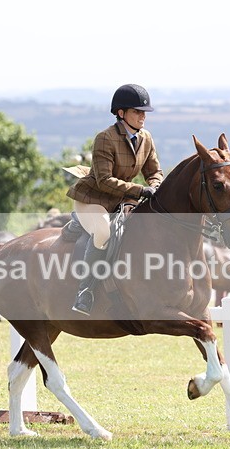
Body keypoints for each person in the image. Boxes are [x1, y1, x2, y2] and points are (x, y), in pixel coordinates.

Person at [65, 83, 164, 315]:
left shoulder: (146, 138)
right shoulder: (105, 138)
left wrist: (155, 187)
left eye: (144, 112)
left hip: (121, 200)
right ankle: (85, 290)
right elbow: (104, 181)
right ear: (121, 113)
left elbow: (154, 172)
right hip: (93, 199)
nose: (142, 117)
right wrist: (140, 191)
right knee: (103, 233)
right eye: (137, 111)